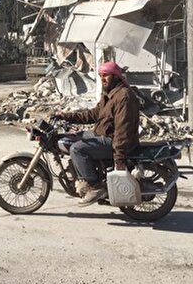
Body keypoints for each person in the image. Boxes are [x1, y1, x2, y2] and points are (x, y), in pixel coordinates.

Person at [54, 62, 140, 206]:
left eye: (105, 75)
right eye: (100, 76)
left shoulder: (123, 96)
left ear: (115, 76)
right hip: (104, 135)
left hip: (113, 141)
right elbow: (93, 114)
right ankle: (84, 173)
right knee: (76, 137)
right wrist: (66, 116)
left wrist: (119, 158)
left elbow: (122, 131)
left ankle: (94, 186)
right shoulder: (109, 94)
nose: (102, 78)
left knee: (77, 149)